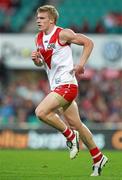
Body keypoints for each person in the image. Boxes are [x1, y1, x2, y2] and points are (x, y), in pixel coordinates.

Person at [31, 5, 108, 176]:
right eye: (37, 17)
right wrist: (36, 60)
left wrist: (81, 64)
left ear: (51, 20)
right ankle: (98, 157)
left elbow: (88, 42)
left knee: (41, 112)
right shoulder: (38, 38)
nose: (38, 20)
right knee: (77, 125)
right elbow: (43, 63)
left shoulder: (62, 33)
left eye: (42, 18)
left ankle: (70, 137)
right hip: (56, 86)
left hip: (67, 84)